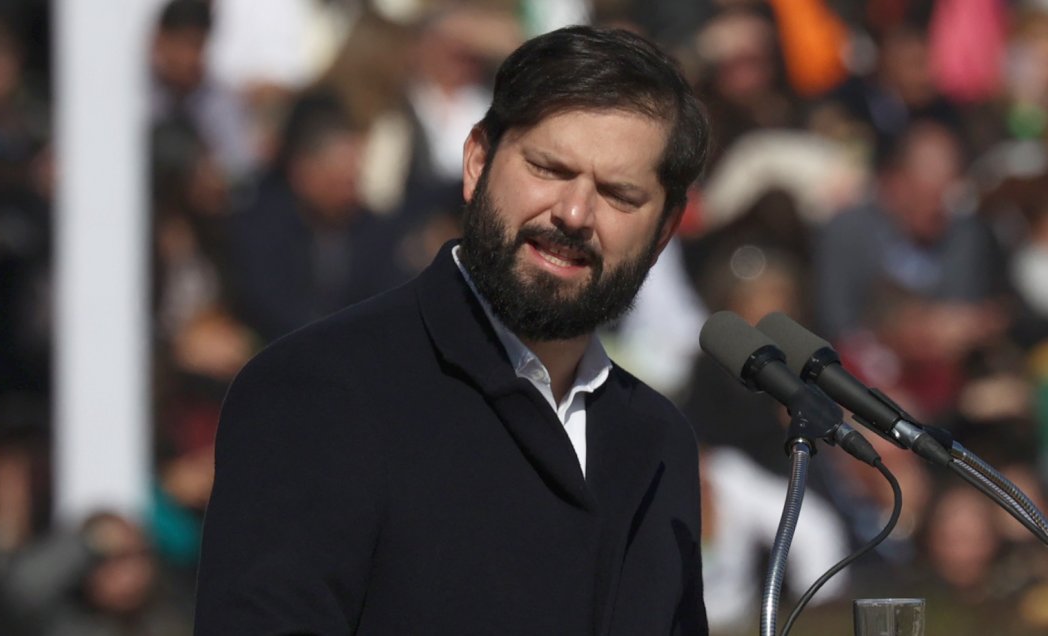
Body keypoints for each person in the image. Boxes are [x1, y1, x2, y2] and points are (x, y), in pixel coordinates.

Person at [194, 25, 711, 635]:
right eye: (548, 168)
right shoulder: (319, 390)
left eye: (619, 195)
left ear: (664, 229)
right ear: (477, 162)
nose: (574, 214)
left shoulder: (660, 443)